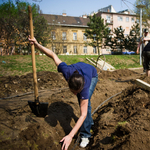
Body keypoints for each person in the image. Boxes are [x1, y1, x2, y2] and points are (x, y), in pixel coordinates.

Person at [28, 36, 98, 150]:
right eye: (73, 92)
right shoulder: (66, 71)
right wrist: (36, 44)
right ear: (68, 82)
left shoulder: (85, 87)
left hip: (92, 73)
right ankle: (89, 123)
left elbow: (83, 114)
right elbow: (52, 55)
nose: (75, 94)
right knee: (82, 103)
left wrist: (70, 136)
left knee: (86, 105)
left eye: (77, 92)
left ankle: (86, 134)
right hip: (78, 71)